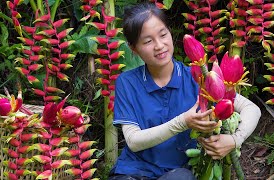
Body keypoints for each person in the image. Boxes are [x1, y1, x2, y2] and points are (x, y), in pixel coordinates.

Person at [109, 2, 261, 180]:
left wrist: (235, 140)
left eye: (163, 34)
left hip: (177, 174)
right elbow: (133, 141)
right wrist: (182, 122)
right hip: (133, 172)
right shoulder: (127, 82)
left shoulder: (197, 77)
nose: (159, 45)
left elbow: (252, 109)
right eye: (148, 41)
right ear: (134, 48)